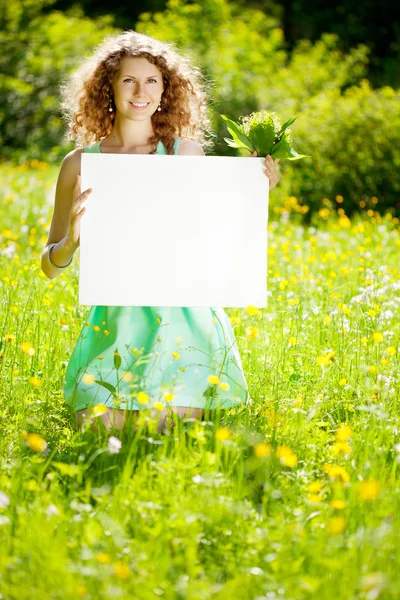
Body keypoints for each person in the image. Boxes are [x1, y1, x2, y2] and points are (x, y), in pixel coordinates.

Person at [41, 30, 281, 434]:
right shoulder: (81, 162)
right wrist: (73, 240)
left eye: (152, 80)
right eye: (128, 80)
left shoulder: (185, 154)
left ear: (165, 89)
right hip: (116, 316)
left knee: (161, 426)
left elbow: (214, 235)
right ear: (108, 88)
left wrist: (255, 190)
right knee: (98, 428)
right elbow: (50, 266)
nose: (141, 91)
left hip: (183, 314)